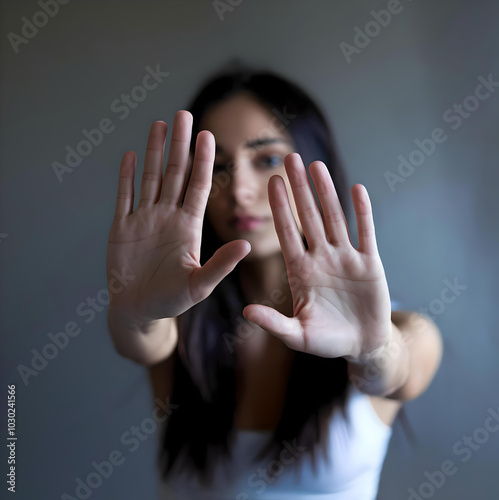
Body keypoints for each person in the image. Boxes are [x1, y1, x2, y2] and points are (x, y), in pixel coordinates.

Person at [106, 67, 443, 499]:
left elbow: (396, 368)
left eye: (265, 159)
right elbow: (142, 338)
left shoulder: (397, 328)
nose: (239, 189)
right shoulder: (182, 323)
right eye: (219, 167)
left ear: (314, 161)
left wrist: (372, 349)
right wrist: (134, 312)